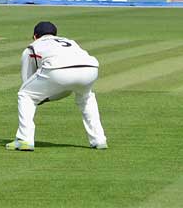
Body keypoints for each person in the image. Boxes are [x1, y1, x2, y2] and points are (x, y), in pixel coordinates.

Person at [6, 21, 108, 152]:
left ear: (35, 36)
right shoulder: (70, 41)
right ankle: (99, 140)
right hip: (91, 68)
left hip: (58, 70)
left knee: (25, 95)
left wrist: (38, 98)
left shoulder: (32, 46)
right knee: (86, 97)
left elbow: (27, 79)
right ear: (55, 34)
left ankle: (24, 139)